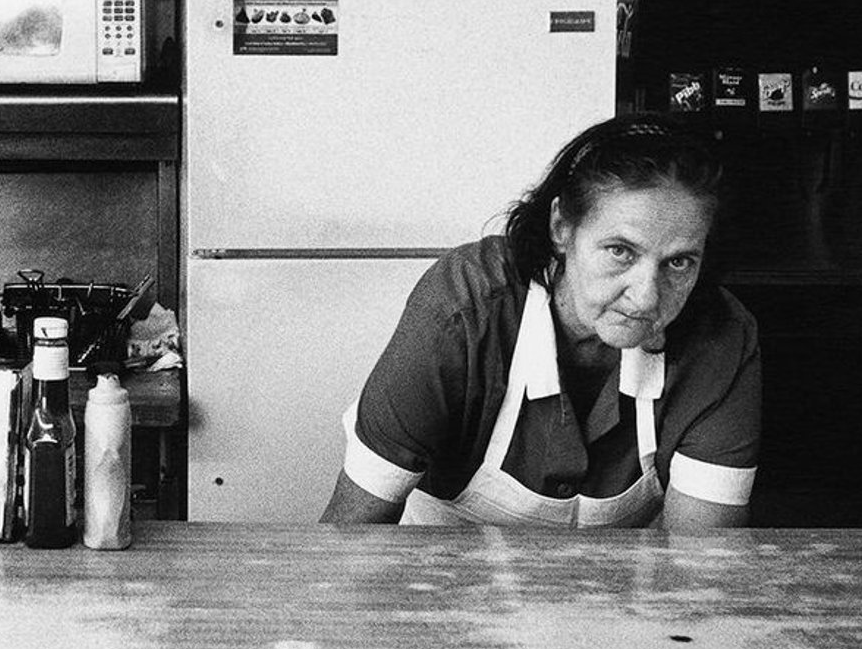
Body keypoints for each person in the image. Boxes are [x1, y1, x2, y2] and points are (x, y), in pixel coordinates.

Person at [321, 115, 759, 529]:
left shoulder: (722, 341)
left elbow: (699, 562)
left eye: (679, 262)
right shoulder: (463, 312)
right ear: (561, 227)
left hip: (623, 585)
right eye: (620, 251)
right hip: (434, 577)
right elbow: (351, 542)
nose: (647, 296)